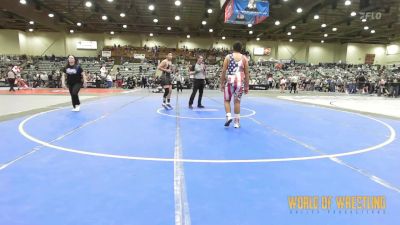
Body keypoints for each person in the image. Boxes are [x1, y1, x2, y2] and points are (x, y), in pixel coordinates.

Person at [219, 42, 250, 128]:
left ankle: (229, 116)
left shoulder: (228, 57)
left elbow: (223, 71)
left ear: (233, 48)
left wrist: (221, 83)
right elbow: (247, 74)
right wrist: (247, 86)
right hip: (239, 83)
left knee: (226, 100)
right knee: (237, 102)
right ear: (241, 49)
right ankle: (236, 123)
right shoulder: (244, 58)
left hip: (230, 81)